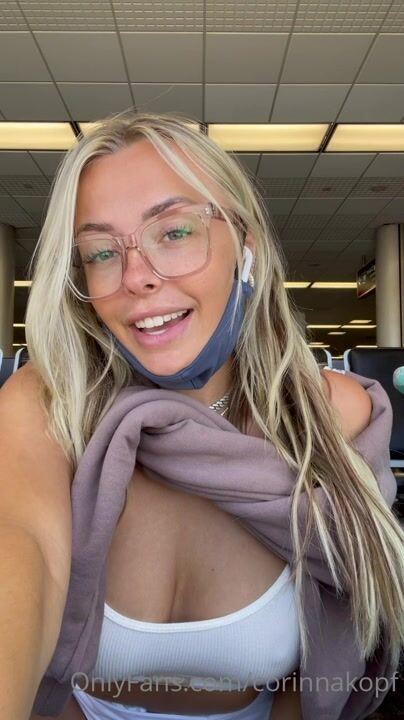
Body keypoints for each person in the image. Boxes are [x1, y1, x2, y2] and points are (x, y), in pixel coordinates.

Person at [0, 111, 402, 720]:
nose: (137, 278)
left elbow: (334, 645)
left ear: (246, 246)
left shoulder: (330, 416)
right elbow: (21, 545)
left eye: (174, 232)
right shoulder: (51, 403)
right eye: (101, 251)